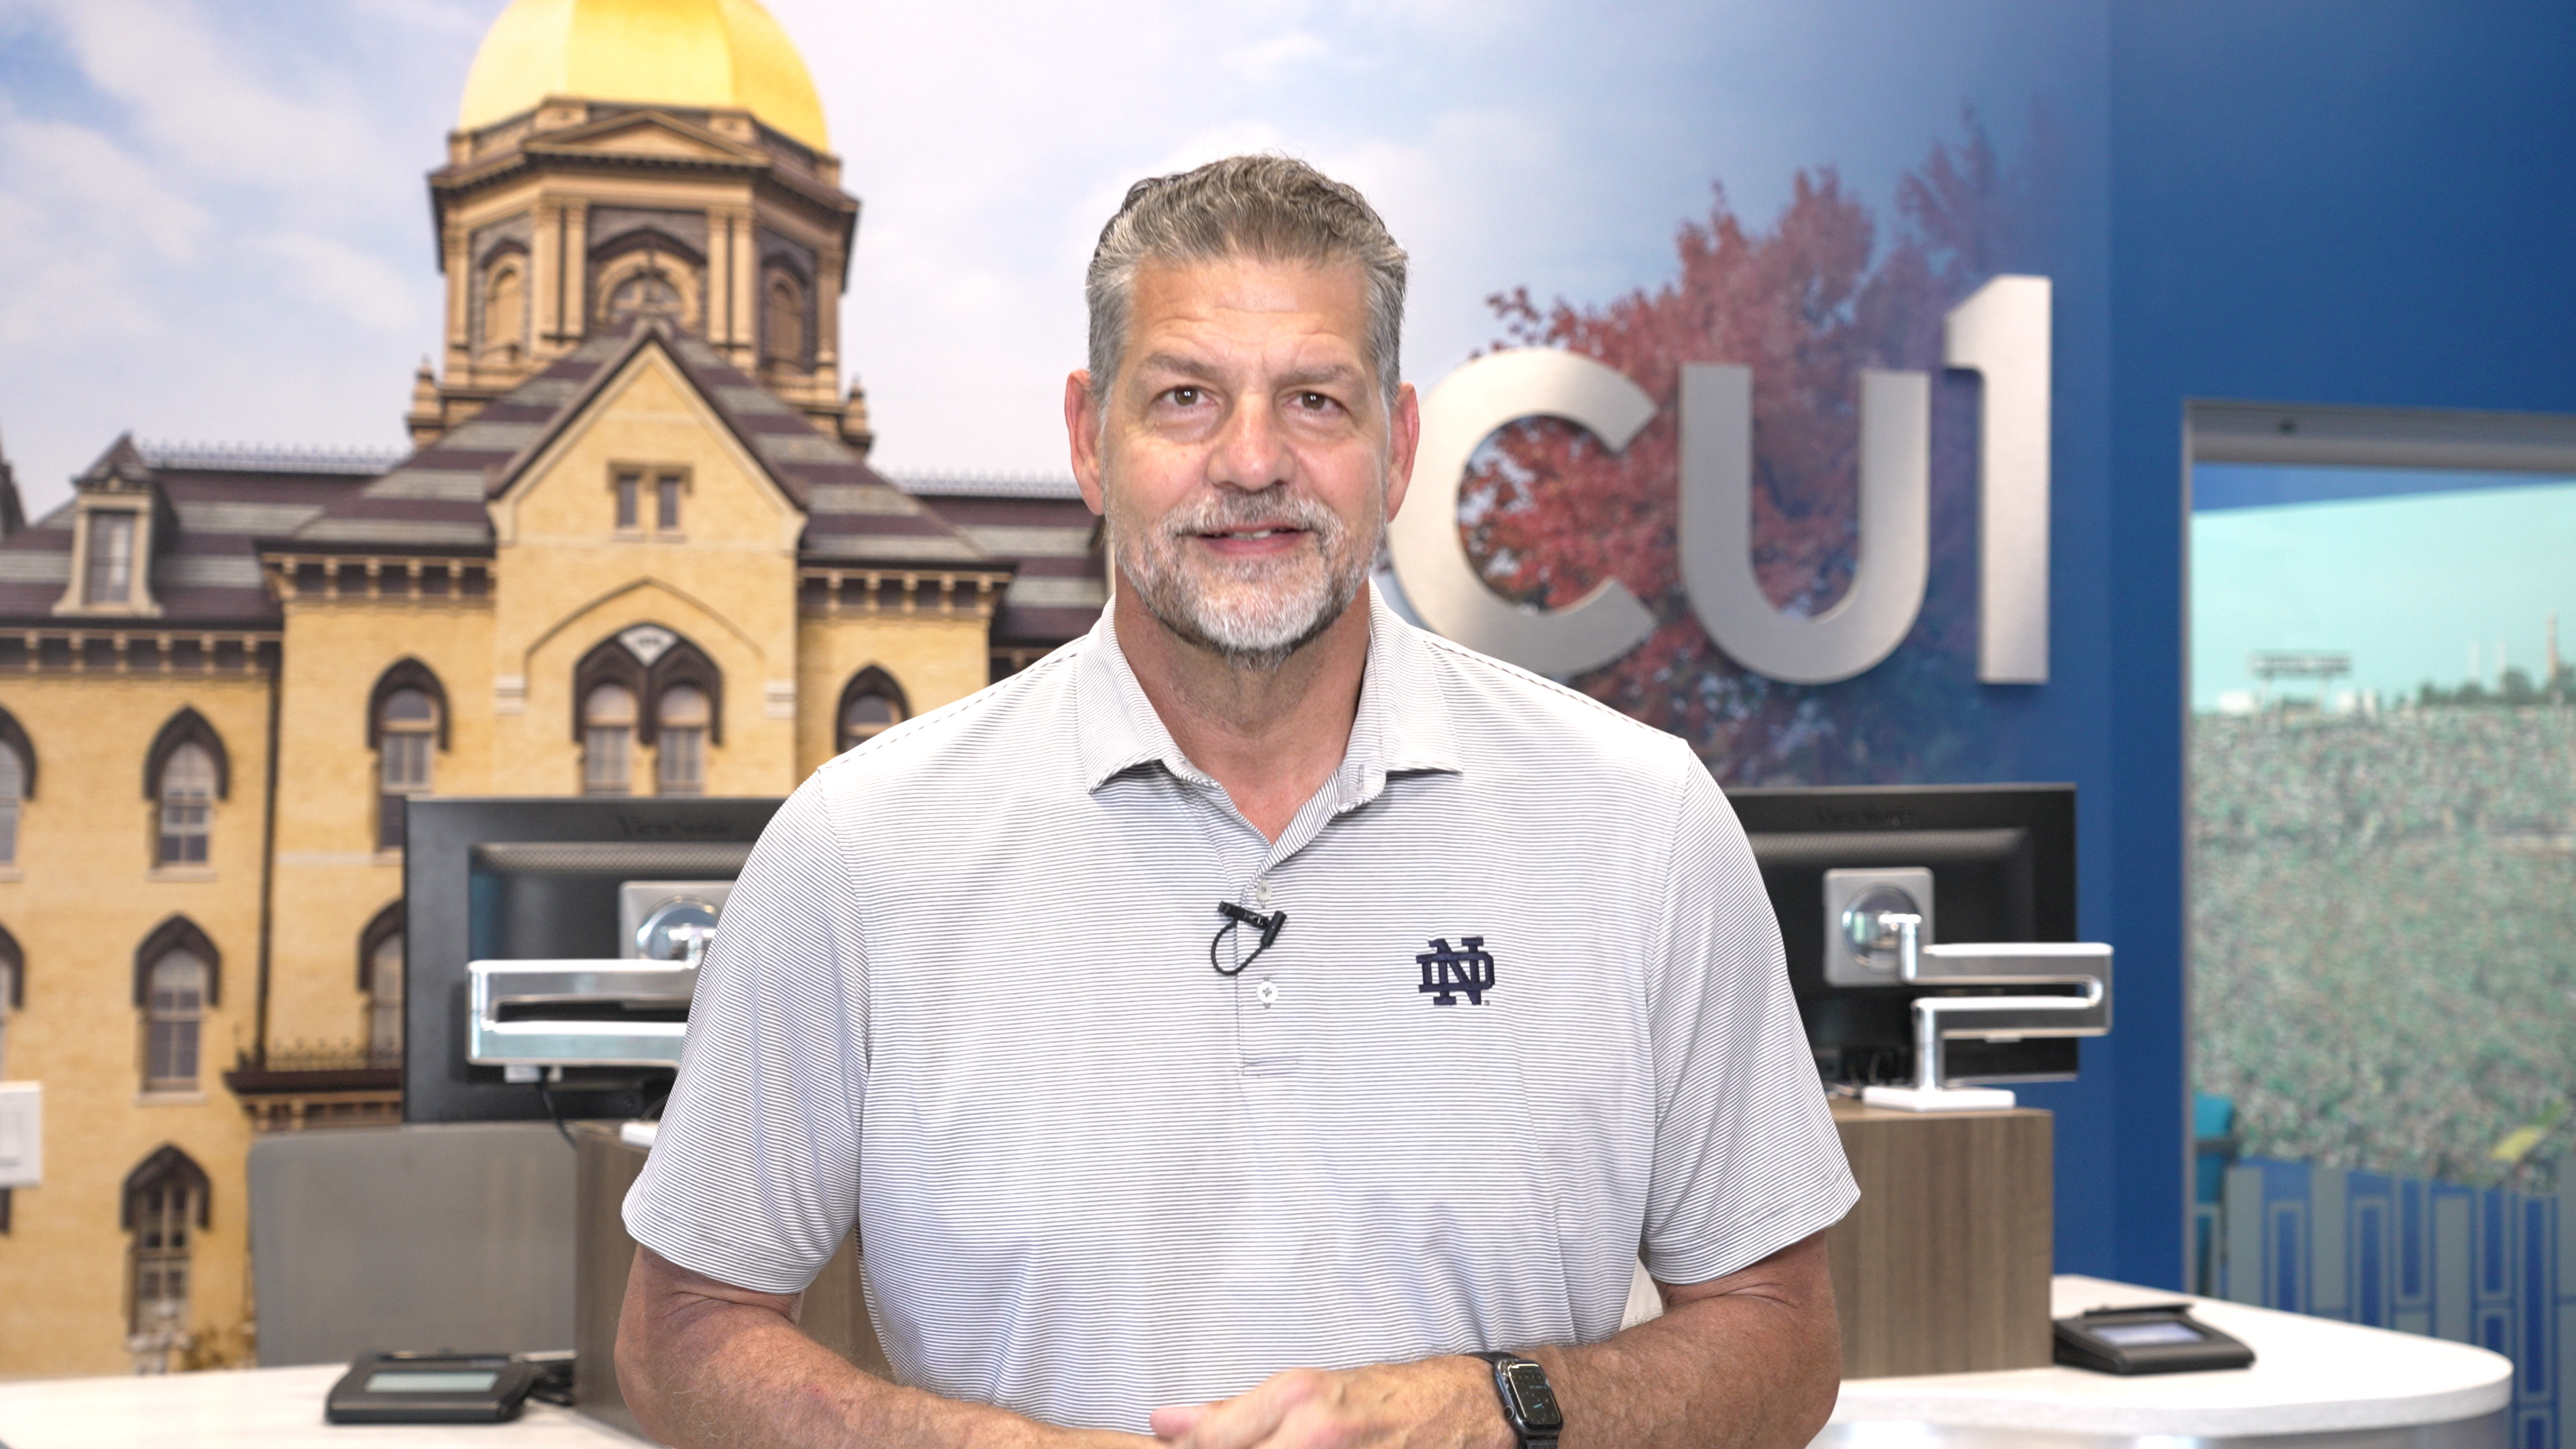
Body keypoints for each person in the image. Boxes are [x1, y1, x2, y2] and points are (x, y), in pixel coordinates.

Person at [617, 154, 1857, 1449]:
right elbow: (682, 1331)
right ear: (1093, 442)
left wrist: (1495, 1411)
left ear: (1400, 448)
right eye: (1185, 398)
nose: (1253, 460)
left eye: (1315, 400)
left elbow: (1779, 1332)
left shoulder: (1642, 821)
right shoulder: (858, 848)